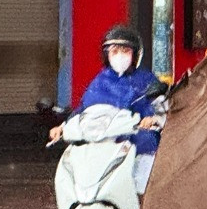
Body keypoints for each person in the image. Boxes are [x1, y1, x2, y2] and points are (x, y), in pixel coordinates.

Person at [49, 26, 163, 194]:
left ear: (135, 54)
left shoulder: (146, 80)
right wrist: (63, 126)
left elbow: (159, 106)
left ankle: (142, 202)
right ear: (107, 55)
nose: (120, 56)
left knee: (145, 175)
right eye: (114, 51)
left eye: (125, 50)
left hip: (137, 144)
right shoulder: (101, 80)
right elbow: (84, 108)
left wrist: (152, 119)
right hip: (103, 141)